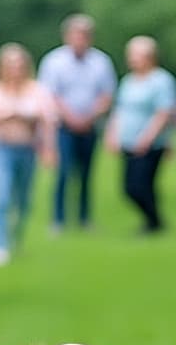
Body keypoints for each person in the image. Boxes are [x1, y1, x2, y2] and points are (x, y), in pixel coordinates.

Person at [38, 14, 117, 232]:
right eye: (76, 35)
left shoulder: (101, 62)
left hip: (90, 125)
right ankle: (58, 219)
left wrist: (90, 116)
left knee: (86, 174)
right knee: (63, 172)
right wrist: (70, 117)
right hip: (64, 126)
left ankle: (84, 218)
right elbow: (51, 94)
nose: (80, 40)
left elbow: (107, 94)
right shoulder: (54, 61)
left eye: (84, 35)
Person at [0, 44, 57, 266]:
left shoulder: (37, 90)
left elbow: (47, 121)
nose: (15, 69)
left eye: (19, 65)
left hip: (27, 149)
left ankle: (16, 237)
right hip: (1, 148)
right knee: (2, 197)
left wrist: (50, 149)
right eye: (10, 65)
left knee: (23, 200)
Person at [105, 36, 176, 235]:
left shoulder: (161, 81)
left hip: (151, 144)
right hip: (128, 142)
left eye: (136, 56)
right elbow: (120, 110)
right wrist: (112, 134)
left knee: (140, 186)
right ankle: (153, 222)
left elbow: (163, 113)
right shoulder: (128, 81)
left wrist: (147, 138)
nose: (132, 60)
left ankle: (154, 221)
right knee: (130, 187)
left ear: (150, 57)